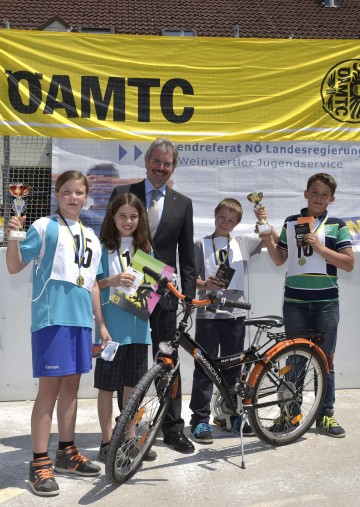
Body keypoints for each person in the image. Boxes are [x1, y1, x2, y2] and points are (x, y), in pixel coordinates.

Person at [5, 171, 111, 497]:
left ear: (87, 196)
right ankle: (39, 462)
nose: (73, 197)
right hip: (52, 321)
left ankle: (66, 451)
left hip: (81, 323)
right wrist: (11, 235)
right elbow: (13, 267)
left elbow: (93, 283)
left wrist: (101, 324)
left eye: (79, 192)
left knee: (71, 389)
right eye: (67, 192)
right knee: (48, 391)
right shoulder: (43, 227)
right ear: (57, 195)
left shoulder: (92, 236)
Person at [108, 138, 197, 453]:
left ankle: (173, 429)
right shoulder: (122, 194)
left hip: (165, 292)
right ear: (146, 163)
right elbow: (109, 239)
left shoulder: (182, 203)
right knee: (129, 363)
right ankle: (126, 430)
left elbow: (187, 256)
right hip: (130, 288)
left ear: (174, 167)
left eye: (167, 164)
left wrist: (188, 297)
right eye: (157, 162)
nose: (161, 169)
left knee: (167, 362)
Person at [261, 173, 354, 437]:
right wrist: (268, 239)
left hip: (326, 303)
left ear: (332, 199)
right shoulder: (293, 222)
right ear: (305, 193)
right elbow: (279, 260)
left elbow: (348, 263)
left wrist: (320, 248)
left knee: (326, 361)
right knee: (294, 360)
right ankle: (291, 415)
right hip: (295, 302)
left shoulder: (337, 225)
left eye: (325, 195)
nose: (318, 198)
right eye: (314, 192)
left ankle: (325, 415)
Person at [189, 197, 271, 443]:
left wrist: (263, 219)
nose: (225, 222)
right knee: (205, 368)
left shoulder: (244, 243)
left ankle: (231, 415)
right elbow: (190, 277)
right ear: (215, 216)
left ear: (237, 223)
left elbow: (268, 239)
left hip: (235, 315)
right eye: (222, 217)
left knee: (234, 369)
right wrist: (205, 284)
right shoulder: (200, 244)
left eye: (231, 220)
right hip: (208, 314)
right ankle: (200, 421)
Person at [94, 192, 156, 462]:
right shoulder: (102, 247)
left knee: (133, 387)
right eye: (122, 216)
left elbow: (149, 291)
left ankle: (129, 438)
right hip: (113, 332)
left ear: (140, 218)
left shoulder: (146, 249)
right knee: (106, 388)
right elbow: (93, 286)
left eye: (133, 216)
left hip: (139, 329)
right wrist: (113, 280)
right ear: (112, 217)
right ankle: (107, 441)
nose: (128, 221)